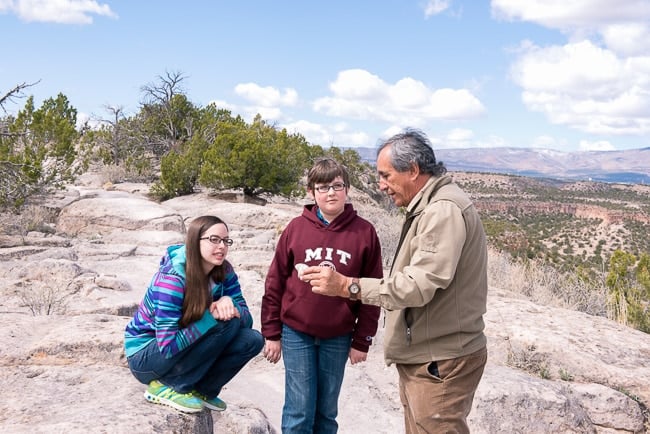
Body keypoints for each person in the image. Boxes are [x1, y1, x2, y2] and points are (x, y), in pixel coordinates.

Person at [302, 129, 488, 434]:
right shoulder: (429, 205)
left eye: (386, 175)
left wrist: (348, 286)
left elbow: (417, 285)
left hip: (441, 358)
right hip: (430, 355)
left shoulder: (442, 211)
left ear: (413, 170)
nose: (381, 185)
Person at [261, 157, 383, 433]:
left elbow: (372, 289)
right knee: (299, 410)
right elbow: (275, 282)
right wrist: (271, 333)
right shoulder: (296, 229)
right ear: (311, 192)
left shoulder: (364, 232)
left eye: (337, 186)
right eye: (323, 187)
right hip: (296, 332)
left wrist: (362, 340)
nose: (331, 193)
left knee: (326, 412)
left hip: (338, 335)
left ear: (347, 190)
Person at [124, 215, 264, 413]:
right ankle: (167, 386)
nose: (222, 246)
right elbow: (168, 346)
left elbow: (246, 320)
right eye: (214, 240)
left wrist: (229, 302)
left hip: (177, 349)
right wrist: (210, 318)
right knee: (224, 324)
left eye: (225, 241)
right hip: (147, 356)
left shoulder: (224, 271)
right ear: (194, 241)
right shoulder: (172, 280)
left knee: (253, 339)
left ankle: (202, 390)